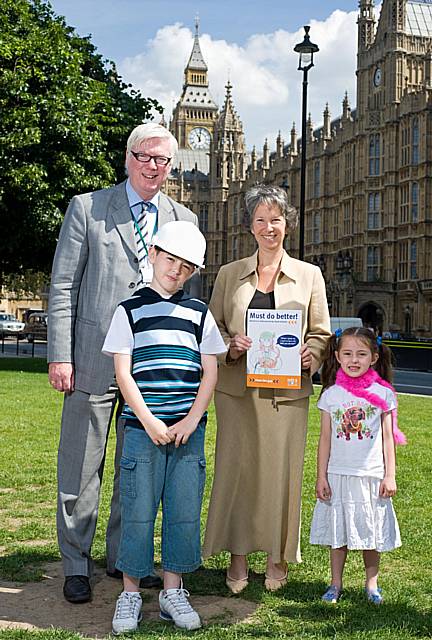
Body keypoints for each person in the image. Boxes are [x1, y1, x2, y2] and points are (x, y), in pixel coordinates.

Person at [48, 123, 200, 604]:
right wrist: (60, 355)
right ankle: (76, 563)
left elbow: (189, 297)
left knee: (133, 467)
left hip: (153, 369)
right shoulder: (88, 208)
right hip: (92, 359)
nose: (154, 167)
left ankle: (122, 559)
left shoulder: (183, 216)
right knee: (81, 464)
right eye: (145, 157)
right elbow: (62, 287)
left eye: (163, 161)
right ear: (128, 157)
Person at [202, 184, 331, 593]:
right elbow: (212, 329)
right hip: (238, 392)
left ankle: (278, 557)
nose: (268, 227)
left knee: (282, 475)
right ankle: (238, 557)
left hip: (288, 393)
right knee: (237, 473)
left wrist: (312, 353)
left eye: (275, 219)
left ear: (287, 225)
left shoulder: (310, 276)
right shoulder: (228, 275)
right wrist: (230, 346)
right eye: (260, 219)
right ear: (250, 227)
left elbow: (320, 332)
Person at [102, 221, 226, 634]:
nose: (176, 270)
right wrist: (149, 419)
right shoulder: (129, 311)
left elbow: (210, 373)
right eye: (170, 259)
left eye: (186, 266)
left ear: (194, 272)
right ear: (153, 254)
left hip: (189, 432)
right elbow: (124, 374)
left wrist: (192, 419)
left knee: (184, 512)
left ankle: (173, 592)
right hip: (142, 430)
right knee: (137, 513)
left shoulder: (199, 314)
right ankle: (131, 594)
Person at [310, 327, 406, 604]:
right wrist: (321, 477)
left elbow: (388, 439)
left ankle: (372, 584)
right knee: (338, 533)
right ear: (337, 356)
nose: (354, 360)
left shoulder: (383, 395)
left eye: (361, 354)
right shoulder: (331, 395)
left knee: (370, 533)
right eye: (348, 354)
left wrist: (390, 475)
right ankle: (335, 584)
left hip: (371, 476)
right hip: (339, 474)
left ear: (374, 357)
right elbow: (325, 439)